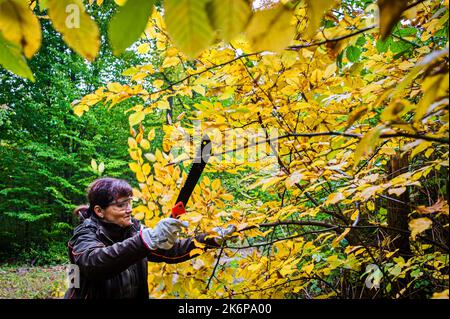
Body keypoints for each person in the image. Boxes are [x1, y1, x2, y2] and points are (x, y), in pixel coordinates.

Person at [64, 177, 235, 299]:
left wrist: (211, 239)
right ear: (99, 211)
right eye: (121, 205)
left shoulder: (132, 229)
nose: (129, 209)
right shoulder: (84, 234)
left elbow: (172, 251)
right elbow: (94, 264)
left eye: (130, 202)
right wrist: (146, 240)